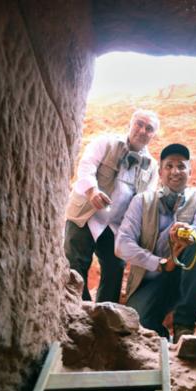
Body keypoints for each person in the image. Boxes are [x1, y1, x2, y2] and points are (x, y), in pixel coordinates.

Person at [115, 143, 196, 342]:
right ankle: (163, 340)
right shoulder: (141, 201)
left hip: (184, 276)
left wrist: (186, 231)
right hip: (150, 279)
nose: (175, 171)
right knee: (139, 325)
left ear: (190, 171)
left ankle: (184, 324)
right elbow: (122, 243)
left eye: (181, 166)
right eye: (169, 166)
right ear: (160, 172)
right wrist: (160, 263)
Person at [64, 109, 159, 302]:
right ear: (130, 125)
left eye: (149, 129)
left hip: (115, 226)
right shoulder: (104, 143)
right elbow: (86, 166)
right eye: (139, 124)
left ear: (153, 136)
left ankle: (103, 318)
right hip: (86, 216)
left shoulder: (152, 167)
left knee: (115, 270)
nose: (142, 131)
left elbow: (146, 201)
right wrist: (92, 191)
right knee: (75, 264)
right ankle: (77, 310)